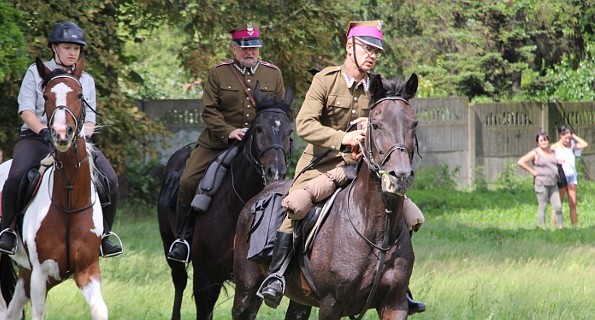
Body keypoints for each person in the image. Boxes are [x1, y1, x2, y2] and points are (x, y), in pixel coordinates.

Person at [258, 21, 426, 314]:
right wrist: (342, 137)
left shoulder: (377, 85)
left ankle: (399, 286)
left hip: (363, 168)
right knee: (296, 206)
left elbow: (385, 122)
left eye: (376, 51)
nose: (372, 55)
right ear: (350, 47)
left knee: (406, 214)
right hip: (321, 166)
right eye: (367, 48)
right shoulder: (325, 80)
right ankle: (277, 274)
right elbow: (304, 124)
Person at [0, 21, 122, 257]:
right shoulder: (35, 72)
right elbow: (26, 110)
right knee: (17, 176)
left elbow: (90, 120)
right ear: (54, 48)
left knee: (111, 180)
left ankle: (105, 236)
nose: (73, 52)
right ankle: (8, 232)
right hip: (37, 137)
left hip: (75, 141)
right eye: (67, 47)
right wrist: (43, 131)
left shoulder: (87, 80)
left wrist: (79, 137)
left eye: (76, 48)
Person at [166, 22, 286, 263]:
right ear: (234, 48)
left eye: (254, 47)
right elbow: (209, 111)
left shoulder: (273, 74)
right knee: (188, 180)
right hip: (218, 143)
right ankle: (184, 237)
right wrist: (229, 131)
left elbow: (279, 113)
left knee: (281, 186)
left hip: (260, 148)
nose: (249, 52)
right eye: (244, 48)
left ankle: (277, 242)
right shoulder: (218, 73)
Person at [518, 131, 564, 228]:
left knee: (558, 207)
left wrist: (558, 162)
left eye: (545, 140)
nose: (544, 142)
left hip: (553, 183)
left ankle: (560, 228)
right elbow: (521, 162)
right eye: (541, 140)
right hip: (541, 183)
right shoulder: (535, 152)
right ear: (538, 142)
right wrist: (532, 171)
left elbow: (552, 162)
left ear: (548, 141)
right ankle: (542, 228)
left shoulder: (552, 152)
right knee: (543, 207)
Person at [551, 125, 588, 228]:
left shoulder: (571, 145)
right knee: (558, 203)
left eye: (569, 138)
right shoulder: (554, 147)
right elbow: (547, 159)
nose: (567, 140)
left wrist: (573, 136)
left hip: (571, 176)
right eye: (565, 138)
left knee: (573, 203)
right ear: (561, 136)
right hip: (561, 176)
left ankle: (574, 227)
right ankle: (555, 227)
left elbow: (584, 144)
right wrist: (556, 161)